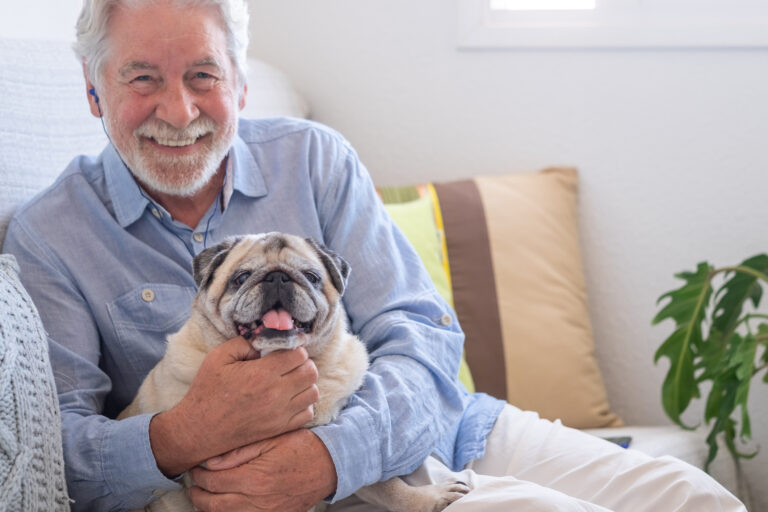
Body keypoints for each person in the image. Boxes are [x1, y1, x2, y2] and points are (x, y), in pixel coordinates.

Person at [2, 1, 747, 511]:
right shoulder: (51, 237)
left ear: (239, 81)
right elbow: (50, 455)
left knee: (699, 499)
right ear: (94, 94)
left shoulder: (314, 159)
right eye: (142, 79)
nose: (180, 110)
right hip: (298, 496)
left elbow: (421, 334)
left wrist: (331, 458)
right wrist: (183, 435)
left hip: (449, 431)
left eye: (203, 75)